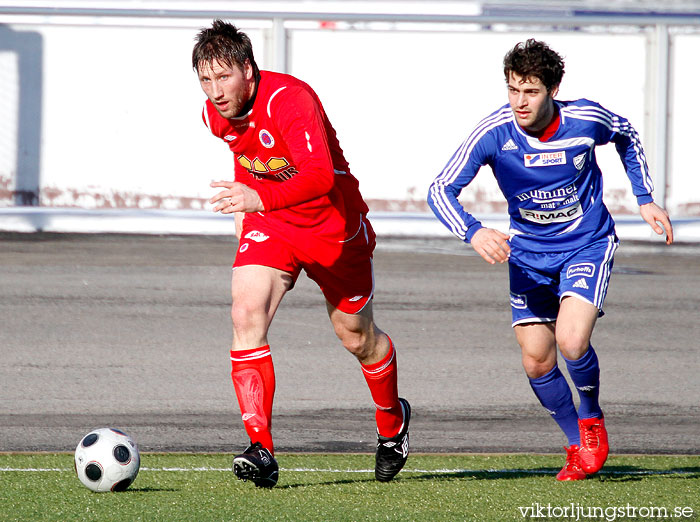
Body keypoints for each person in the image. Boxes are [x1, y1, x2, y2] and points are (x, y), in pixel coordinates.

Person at [427, 39, 673, 481]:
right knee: (537, 360)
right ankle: (576, 443)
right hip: (527, 254)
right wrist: (474, 231)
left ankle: (592, 421)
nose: (520, 101)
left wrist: (645, 198)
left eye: (531, 91)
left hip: (586, 244)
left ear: (553, 88)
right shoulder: (493, 133)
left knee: (571, 340)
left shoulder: (585, 119)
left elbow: (627, 136)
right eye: (513, 89)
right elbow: (439, 190)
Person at [192, 19, 410, 488]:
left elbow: (319, 177)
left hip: (333, 230)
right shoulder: (215, 115)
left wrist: (256, 197)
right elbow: (245, 153)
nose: (215, 90)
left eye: (223, 76)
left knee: (357, 339)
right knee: (244, 310)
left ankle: (392, 422)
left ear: (248, 70)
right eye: (206, 80)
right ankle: (261, 448)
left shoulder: (290, 99)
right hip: (273, 224)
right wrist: (245, 202)